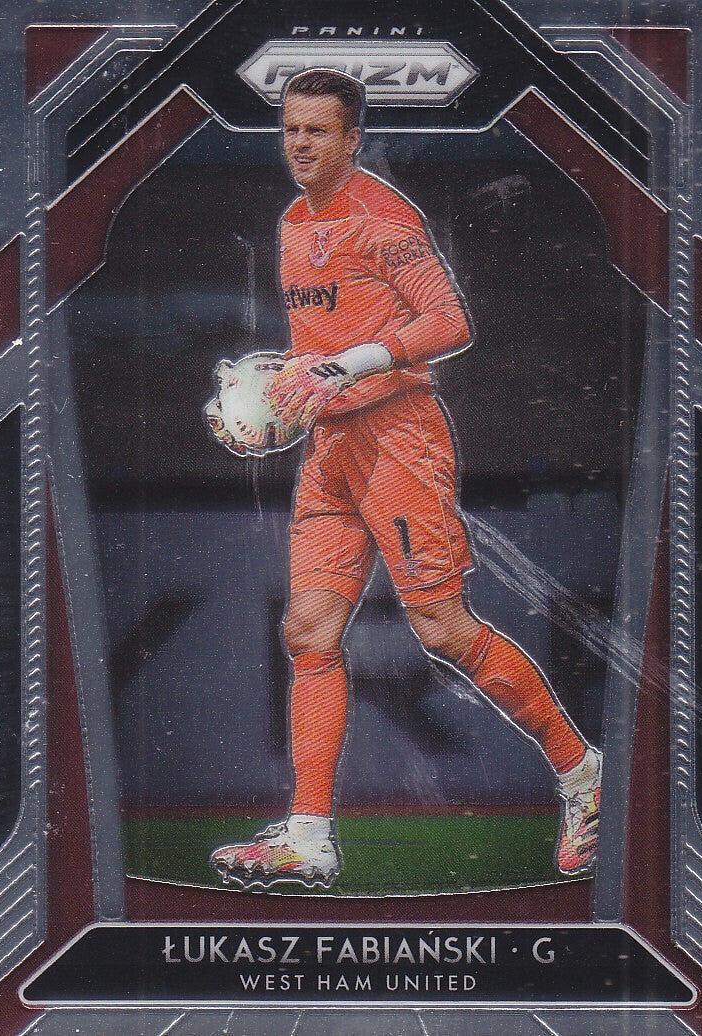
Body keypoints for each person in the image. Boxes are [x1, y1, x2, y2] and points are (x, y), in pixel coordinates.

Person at [209, 69, 601, 888]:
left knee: (442, 631)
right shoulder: (292, 222)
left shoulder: (384, 219)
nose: (300, 144)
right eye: (291, 129)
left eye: (318, 131)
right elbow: (316, 350)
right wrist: (277, 400)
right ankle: (309, 836)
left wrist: (349, 364)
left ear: (353, 139)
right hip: (331, 452)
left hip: (398, 440)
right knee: (308, 632)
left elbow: (450, 321)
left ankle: (580, 772)